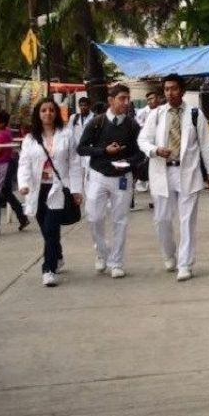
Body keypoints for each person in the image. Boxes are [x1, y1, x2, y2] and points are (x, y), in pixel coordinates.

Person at [138, 74, 209, 281]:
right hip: (162, 171)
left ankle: (185, 264)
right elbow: (142, 140)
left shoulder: (195, 114)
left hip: (187, 171)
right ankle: (169, 254)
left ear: (182, 91)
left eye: (174, 88)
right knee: (162, 219)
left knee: (187, 221)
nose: (170, 93)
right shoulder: (156, 114)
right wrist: (155, 150)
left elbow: (206, 144)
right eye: (166, 89)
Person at [77, 85, 142, 278]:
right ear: (111, 100)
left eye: (127, 98)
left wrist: (128, 162)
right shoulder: (97, 123)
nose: (126, 102)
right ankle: (101, 251)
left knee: (120, 220)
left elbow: (140, 152)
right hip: (98, 176)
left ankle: (116, 262)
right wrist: (104, 151)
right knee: (94, 217)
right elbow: (81, 148)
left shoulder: (132, 125)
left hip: (122, 178)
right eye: (122, 98)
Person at [18, 98, 84, 287]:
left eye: (51, 110)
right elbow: (24, 163)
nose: (48, 113)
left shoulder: (67, 135)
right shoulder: (30, 139)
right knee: (47, 231)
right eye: (44, 110)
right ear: (38, 114)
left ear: (56, 114)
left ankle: (48, 269)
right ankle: (58, 255)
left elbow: (74, 163)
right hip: (38, 189)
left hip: (58, 188)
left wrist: (76, 190)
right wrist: (23, 184)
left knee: (51, 228)